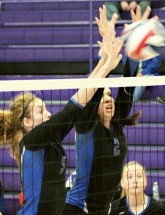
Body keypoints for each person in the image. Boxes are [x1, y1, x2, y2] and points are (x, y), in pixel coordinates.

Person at [0, 6, 123, 214]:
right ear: (27, 122)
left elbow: (82, 99)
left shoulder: (50, 139)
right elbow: (73, 107)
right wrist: (106, 67)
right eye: (40, 111)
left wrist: (104, 59)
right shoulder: (33, 141)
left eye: (45, 108)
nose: (47, 113)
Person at [62, 6, 149, 215]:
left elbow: (128, 87)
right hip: (77, 209)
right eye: (104, 96)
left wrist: (135, 44)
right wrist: (108, 58)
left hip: (104, 209)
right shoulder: (86, 125)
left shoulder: (116, 124)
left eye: (111, 96)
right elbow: (96, 91)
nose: (108, 99)